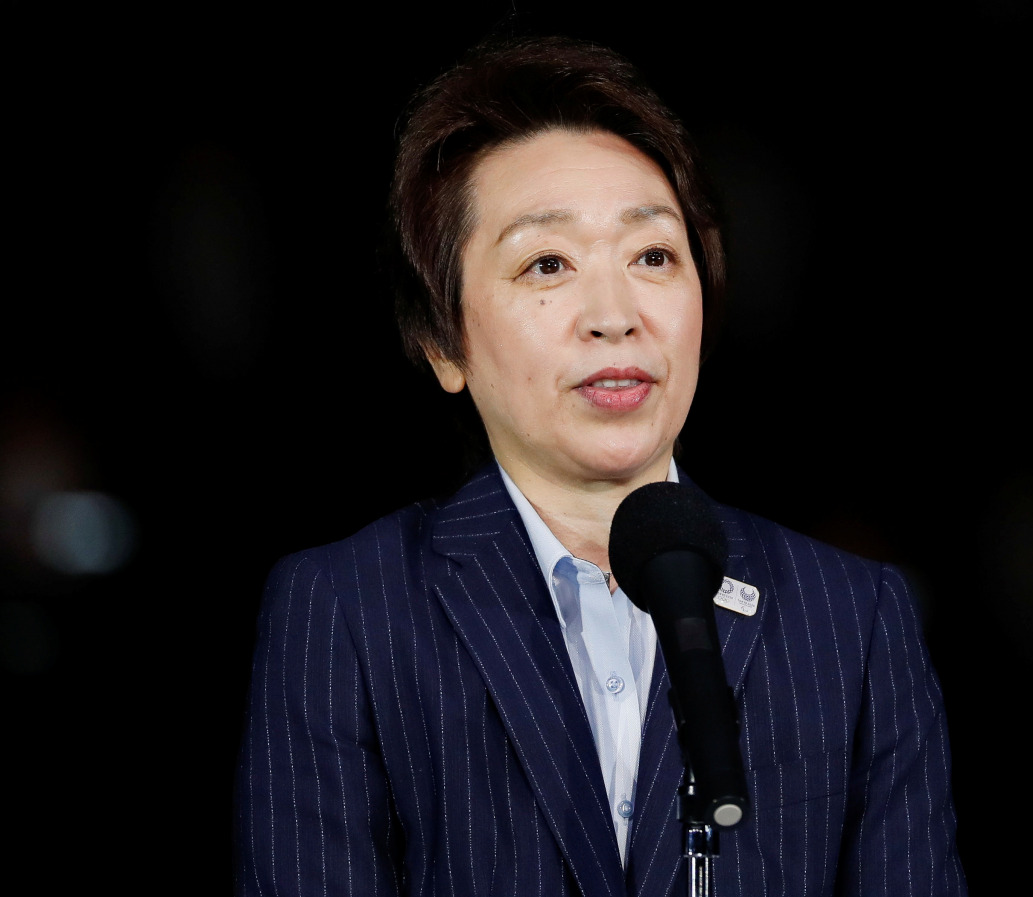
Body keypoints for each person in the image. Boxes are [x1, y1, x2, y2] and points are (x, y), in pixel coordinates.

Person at [234, 35, 967, 896]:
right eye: (548, 264)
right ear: (442, 343)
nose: (614, 314)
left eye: (652, 255)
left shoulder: (852, 620)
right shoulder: (346, 611)